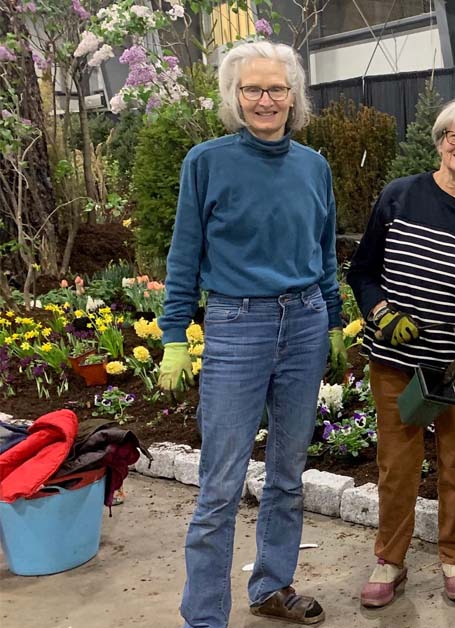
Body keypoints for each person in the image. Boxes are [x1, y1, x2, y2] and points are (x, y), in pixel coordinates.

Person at [158, 40, 342, 627]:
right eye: (252, 90)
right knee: (220, 486)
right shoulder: (205, 162)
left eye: (277, 89)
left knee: (288, 476)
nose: (265, 100)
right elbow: (185, 255)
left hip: (306, 322)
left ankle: (271, 587)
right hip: (238, 325)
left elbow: (325, 249)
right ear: (235, 98)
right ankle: (204, 616)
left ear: (294, 97)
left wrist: (333, 318)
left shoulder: (314, 166)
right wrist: (173, 335)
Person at [346, 99, 455, 608]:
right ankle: (390, 559)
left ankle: (454, 553)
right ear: (439, 141)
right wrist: (381, 315)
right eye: (454, 136)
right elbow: (362, 272)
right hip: (395, 363)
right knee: (396, 465)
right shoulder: (401, 196)